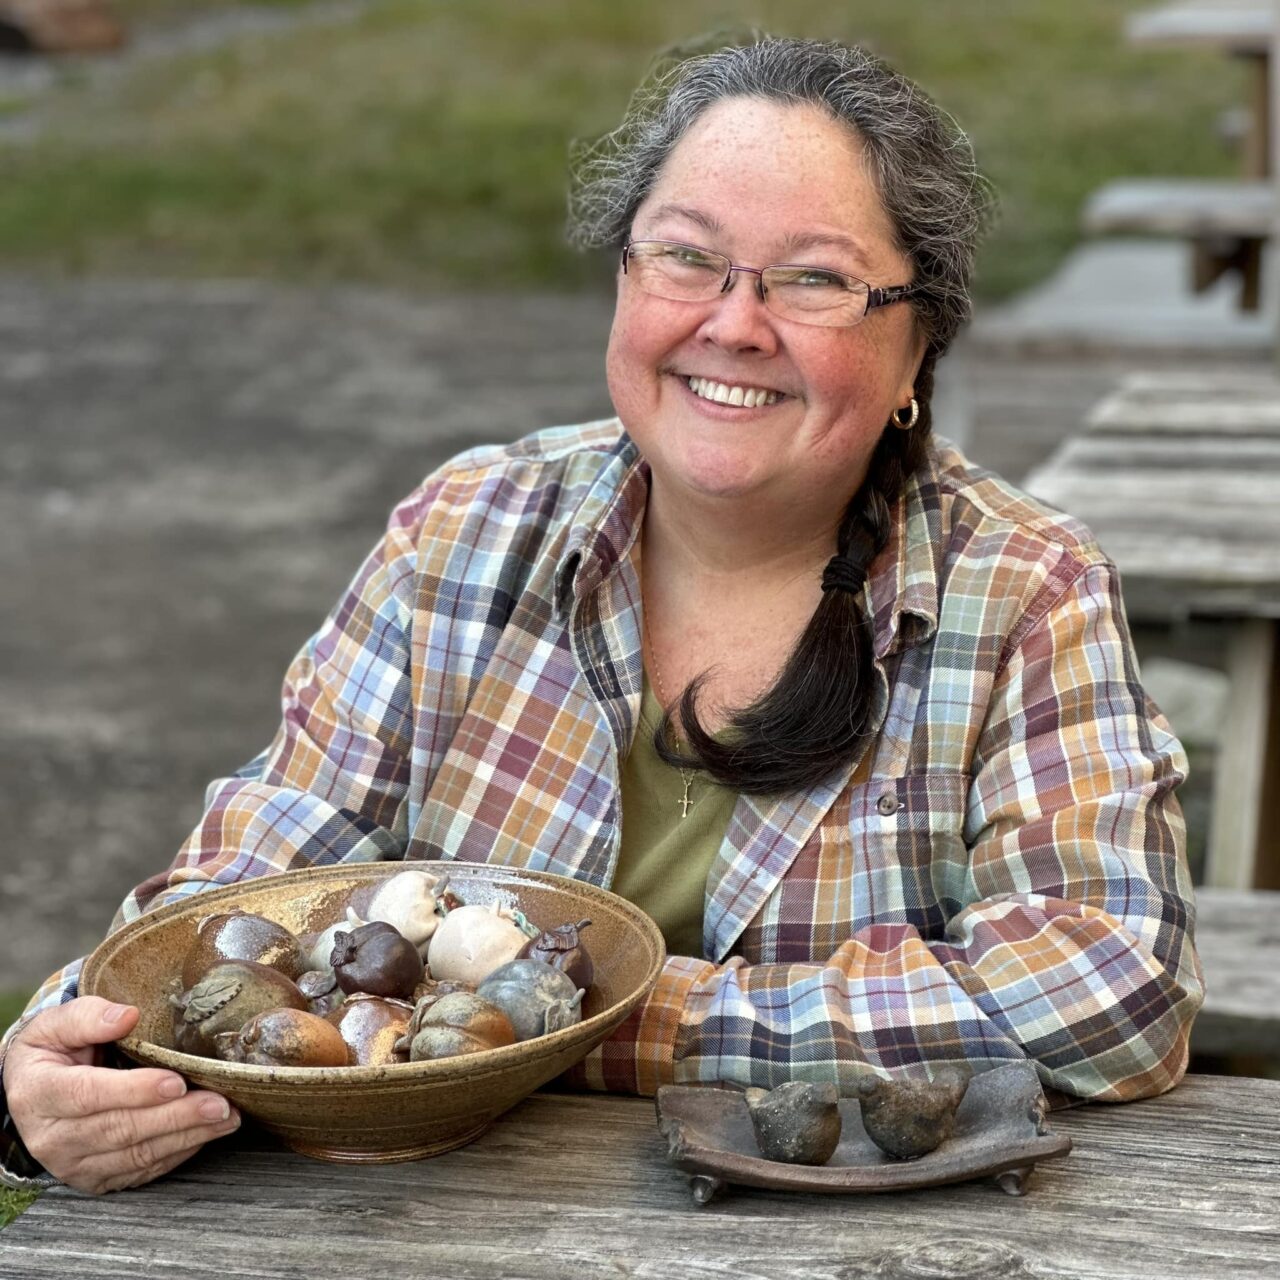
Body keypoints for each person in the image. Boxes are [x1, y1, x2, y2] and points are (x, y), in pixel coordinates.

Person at [1, 35, 1203, 1196]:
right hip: (408, 1223)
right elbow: (247, 885)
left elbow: (1109, 992)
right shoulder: (468, 528)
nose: (732, 323)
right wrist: (71, 1050)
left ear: (915, 345)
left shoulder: (1021, 586)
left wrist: (607, 1009)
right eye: (683, 257)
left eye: (815, 279)